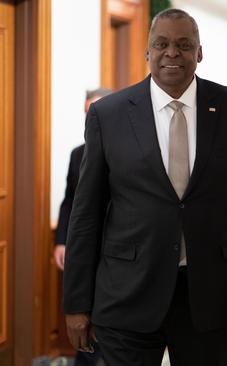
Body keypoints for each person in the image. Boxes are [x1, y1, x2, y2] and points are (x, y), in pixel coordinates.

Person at [63, 8, 227, 366]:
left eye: (183, 45)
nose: (172, 53)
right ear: (147, 52)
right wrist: (76, 304)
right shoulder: (109, 115)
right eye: (161, 44)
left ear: (199, 52)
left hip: (212, 298)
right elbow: (86, 214)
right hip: (127, 295)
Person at [53, 87, 112, 366]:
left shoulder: (129, 153)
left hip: (117, 252)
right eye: (90, 112)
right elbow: (69, 201)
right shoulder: (78, 154)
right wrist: (60, 241)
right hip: (84, 251)